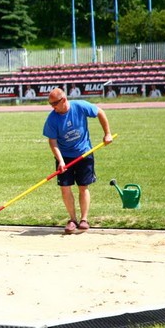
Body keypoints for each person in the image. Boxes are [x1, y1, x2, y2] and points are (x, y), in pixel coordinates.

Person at [43, 88, 113, 235]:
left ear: (63, 100)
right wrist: (60, 161)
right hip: (64, 156)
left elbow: (100, 112)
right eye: (50, 104)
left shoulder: (80, 106)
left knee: (83, 186)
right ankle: (72, 220)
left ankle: (84, 219)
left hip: (84, 153)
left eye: (55, 104)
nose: (53, 107)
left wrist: (107, 133)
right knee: (65, 188)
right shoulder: (52, 119)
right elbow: (52, 142)